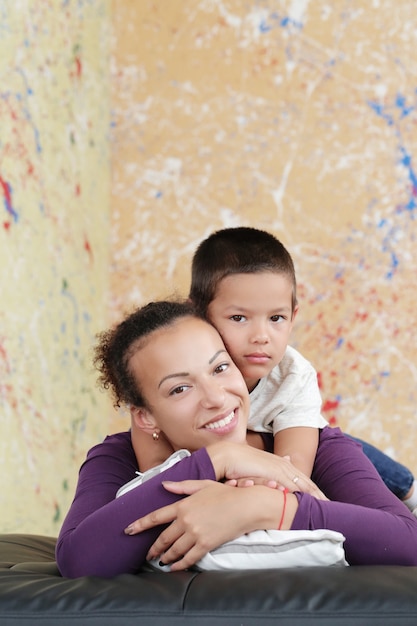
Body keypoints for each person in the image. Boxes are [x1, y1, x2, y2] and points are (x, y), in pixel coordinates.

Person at [56, 300, 417, 578]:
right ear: (145, 416)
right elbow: (78, 558)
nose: (216, 397)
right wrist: (219, 459)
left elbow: (408, 542)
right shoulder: (117, 456)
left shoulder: (318, 442)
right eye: (180, 388)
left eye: (220, 368)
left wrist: (264, 508)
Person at [135, 227, 417, 514]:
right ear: (197, 312)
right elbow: (155, 475)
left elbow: (290, 473)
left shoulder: (292, 376)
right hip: (258, 446)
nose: (261, 336)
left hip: (307, 437)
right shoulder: (170, 373)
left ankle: (409, 489)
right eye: (239, 317)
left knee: (368, 464)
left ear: (294, 316)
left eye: (276, 318)